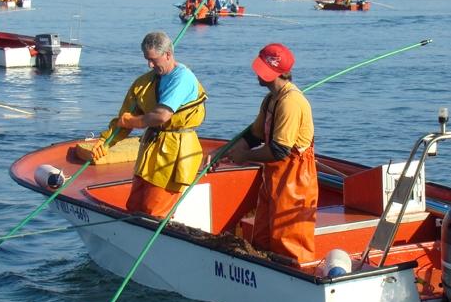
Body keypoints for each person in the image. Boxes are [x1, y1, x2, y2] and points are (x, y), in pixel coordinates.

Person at [91, 31, 208, 218]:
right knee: (135, 206)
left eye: (154, 60)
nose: (150, 65)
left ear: (168, 54)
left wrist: (132, 121)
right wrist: (105, 142)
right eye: (147, 59)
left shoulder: (183, 79)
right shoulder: (144, 83)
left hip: (174, 154)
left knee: (155, 210)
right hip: (150, 152)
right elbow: (124, 118)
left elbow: (160, 116)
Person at [225, 43, 318, 266]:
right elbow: (256, 134)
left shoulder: (291, 102)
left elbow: (279, 150)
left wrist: (245, 156)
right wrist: (231, 150)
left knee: (289, 241)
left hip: (294, 181)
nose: (256, 73)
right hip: (274, 179)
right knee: (263, 236)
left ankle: (297, 278)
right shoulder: (271, 100)